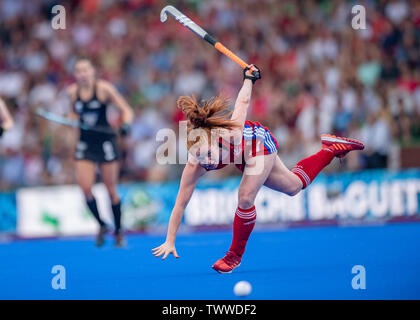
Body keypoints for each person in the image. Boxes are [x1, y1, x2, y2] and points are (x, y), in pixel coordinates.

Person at [152, 65, 365, 273]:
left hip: (258, 143)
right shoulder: (194, 164)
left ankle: (233, 256)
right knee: (294, 186)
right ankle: (330, 149)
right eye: (200, 159)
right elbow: (180, 204)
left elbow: (242, 103)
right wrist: (170, 241)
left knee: (245, 196)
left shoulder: (230, 135)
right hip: (243, 159)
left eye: (208, 154)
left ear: (214, 139)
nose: (207, 162)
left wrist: (248, 78)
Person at [66, 58, 134, 247]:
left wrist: (125, 125)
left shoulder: (104, 89)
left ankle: (119, 230)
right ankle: (102, 224)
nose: (83, 74)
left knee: (110, 189)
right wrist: (72, 131)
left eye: (86, 70)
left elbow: (126, 110)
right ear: (75, 74)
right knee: (86, 188)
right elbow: (73, 117)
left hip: (105, 142)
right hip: (85, 144)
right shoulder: (72, 93)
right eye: (79, 71)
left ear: (93, 72)